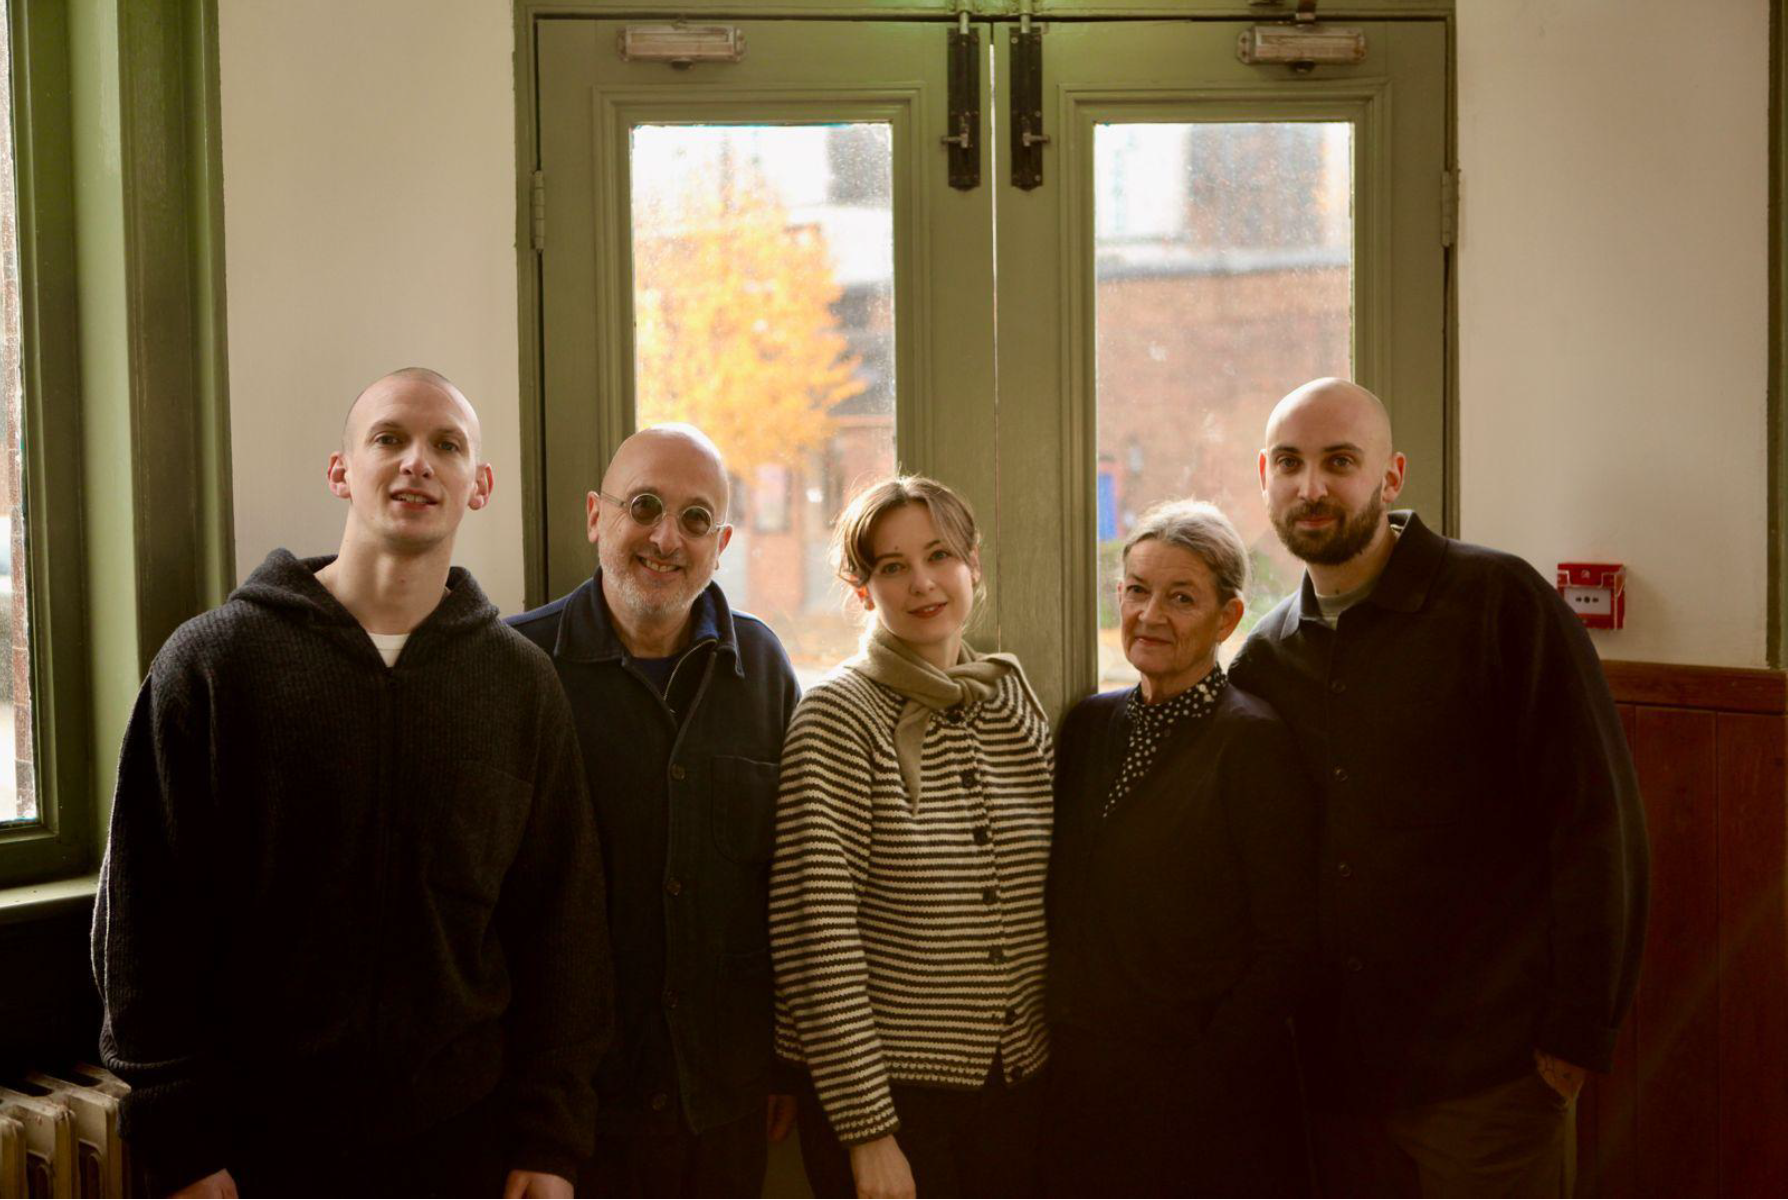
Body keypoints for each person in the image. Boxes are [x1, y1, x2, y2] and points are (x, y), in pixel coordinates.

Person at [94, 367, 610, 1200]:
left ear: (477, 486)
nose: (417, 462)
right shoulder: (214, 662)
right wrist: (181, 1142)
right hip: (253, 1144)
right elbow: (146, 917)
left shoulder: (521, 685)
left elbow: (562, 923)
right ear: (342, 471)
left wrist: (551, 1141)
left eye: (446, 446)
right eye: (389, 439)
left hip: (460, 1141)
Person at [1229, 377, 1649, 1198]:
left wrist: (1575, 1039)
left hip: (1493, 1077)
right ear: (1265, 477)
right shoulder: (1267, 655)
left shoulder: (1501, 603)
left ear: (1390, 479)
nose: (1311, 487)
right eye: (1290, 463)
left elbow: (1597, 823)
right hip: (1337, 1086)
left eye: (1339, 462)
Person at [508, 424, 801, 1199]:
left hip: (722, 1107)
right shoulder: (515, 667)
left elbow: (786, 883)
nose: (667, 538)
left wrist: (779, 1065)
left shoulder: (763, 668)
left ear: (723, 540)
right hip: (572, 1115)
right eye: (644, 506)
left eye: (696, 519)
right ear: (595, 516)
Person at [770, 475, 1054, 1200]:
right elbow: (815, 935)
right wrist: (868, 1135)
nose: (922, 582)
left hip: (1018, 1085)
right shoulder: (837, 717)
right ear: (863, 589)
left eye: (939, 556)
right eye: (892, 567)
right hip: (892, 1099)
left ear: (974, 564)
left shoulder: (1009, 698)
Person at [1045, 499, 1317, 1199]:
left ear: (1227, 619)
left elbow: (1286, 946)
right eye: (1137, 590)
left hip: (1201, 1104)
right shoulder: (1088, 724)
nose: (1151, 615)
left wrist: (1199, 1076)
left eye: (1181, 598)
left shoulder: (1253, 742)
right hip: (1080, 1088)